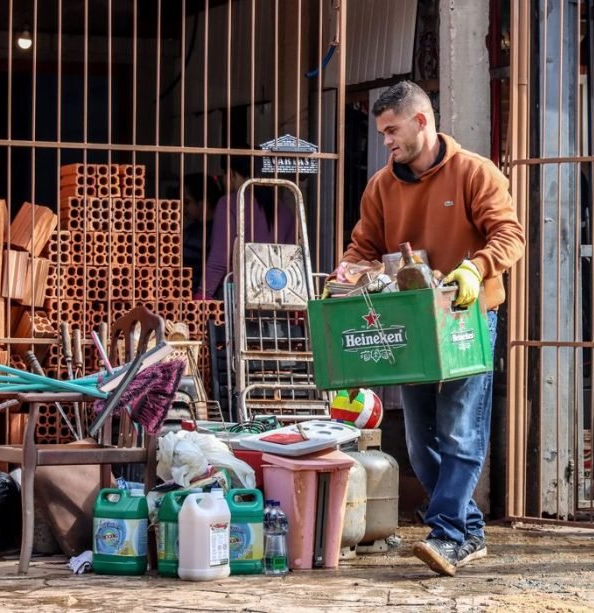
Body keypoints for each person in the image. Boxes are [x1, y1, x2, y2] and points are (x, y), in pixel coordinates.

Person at [334, 81, 524, 576]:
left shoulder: (474, 173)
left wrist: (474, 268)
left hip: (467, 314)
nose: (386, 141)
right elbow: (363, 247)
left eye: (392, 129)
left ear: (421, 121)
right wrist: (349, 271)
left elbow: (510, 233)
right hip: (411, 320)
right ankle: (468, 529)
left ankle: (449, 534)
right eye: (381, 133)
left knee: (461, 429)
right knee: (421, 440)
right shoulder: (381, 185)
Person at [201, 155, 297, 299]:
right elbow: (292, 258)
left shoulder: (229, 204)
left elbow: (220, 259)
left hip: (238, 295)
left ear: (232, 174)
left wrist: (203, 294)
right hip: (277, 295)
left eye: (225, 174)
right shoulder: (285, 210)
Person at [181, 173, 223, 296]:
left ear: (204, 202)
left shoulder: (217, 233)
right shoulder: (190, 231)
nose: (183, 208)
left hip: (203, 300)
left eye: (187, 202)